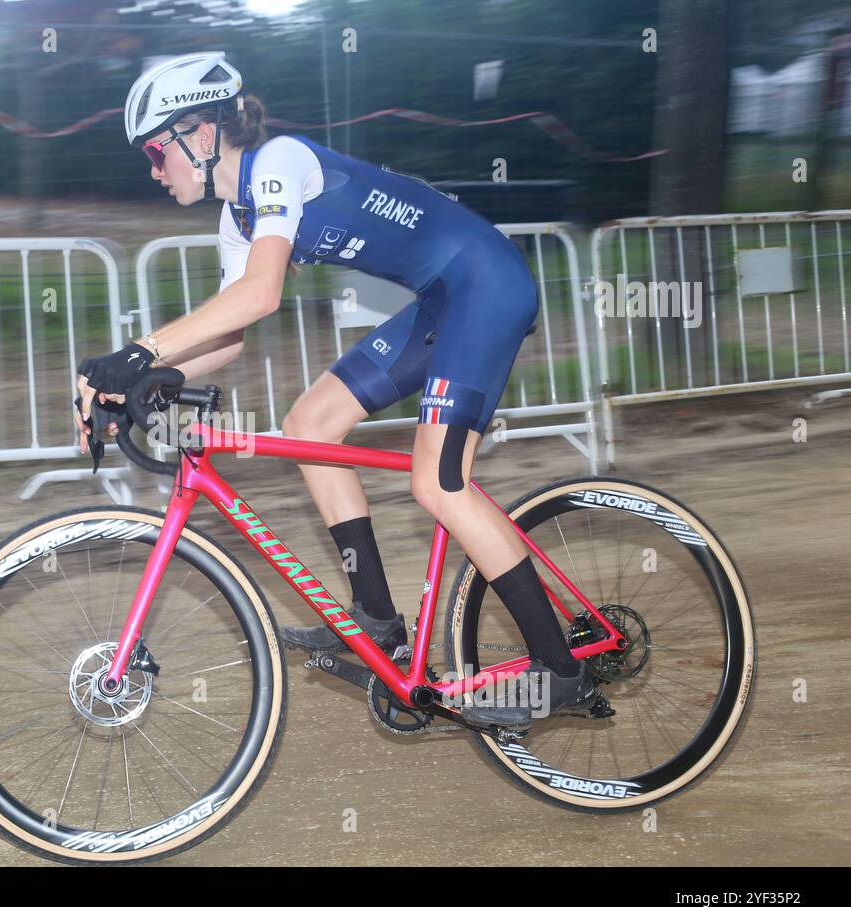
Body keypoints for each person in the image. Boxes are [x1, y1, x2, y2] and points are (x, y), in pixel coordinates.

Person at [73, 52, 594, 730]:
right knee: (312, 424)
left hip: (487, 284)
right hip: (444, 299)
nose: (151, 170)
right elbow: (227, 338)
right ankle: (378, 624)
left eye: (153, 151)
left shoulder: (280, 162)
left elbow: (259, 296)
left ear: (200, 135)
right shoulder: (238, 217)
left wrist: (140, 351)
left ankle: (559, 667)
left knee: (439, 483)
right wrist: (139, 381)